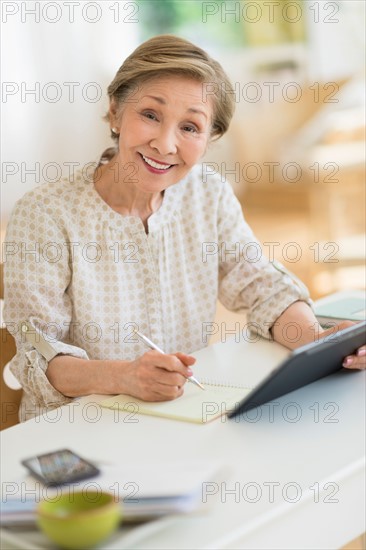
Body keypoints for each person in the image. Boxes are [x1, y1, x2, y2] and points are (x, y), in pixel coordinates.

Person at [4, 35, 365, 422]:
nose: (164, 144)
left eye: (190, 127)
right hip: (75, 429)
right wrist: (125, 376)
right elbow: (37, 355)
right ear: (114, 112)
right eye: (150, 115)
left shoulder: (208, 194)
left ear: (210, 140)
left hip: (180, 418)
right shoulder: (44, 214)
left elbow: (264, 288)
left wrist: (319, 343)